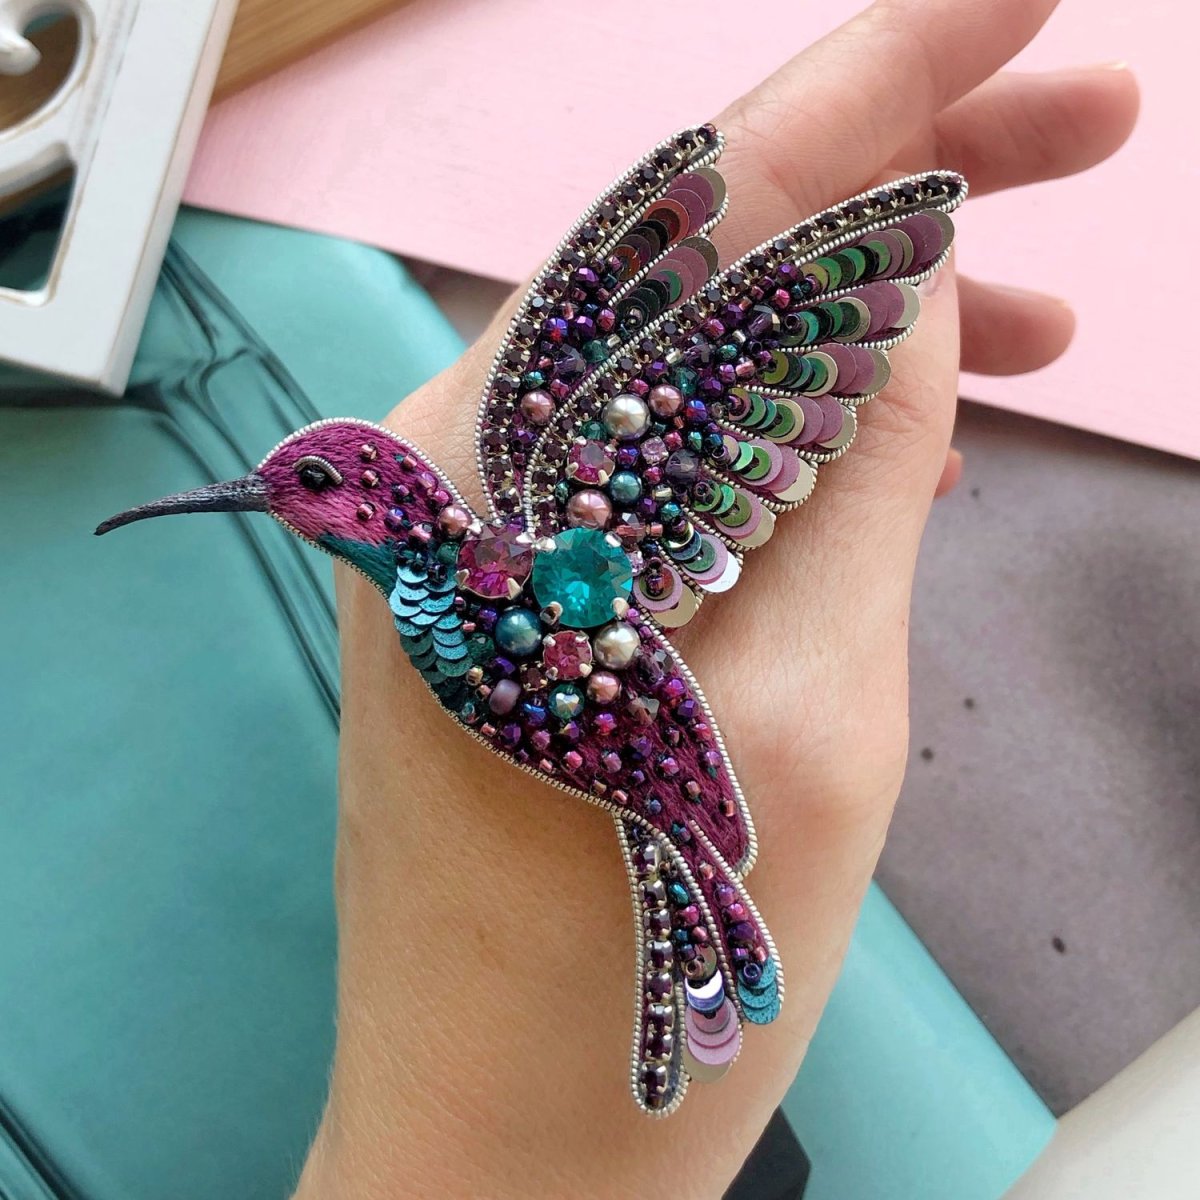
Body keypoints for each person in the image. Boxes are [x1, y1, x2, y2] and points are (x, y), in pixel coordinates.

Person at [291, 1, 1139, 1194]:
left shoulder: (543, 501)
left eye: (311, 491)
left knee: (669, 866)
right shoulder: (477, 548)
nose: (296, 507)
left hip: (645, 750)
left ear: (376, 501)